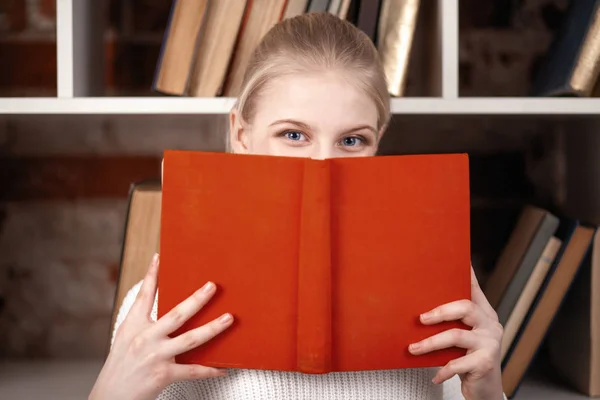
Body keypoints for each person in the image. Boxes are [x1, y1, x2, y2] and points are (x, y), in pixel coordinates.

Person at [89, 12, 506, 400]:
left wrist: (487, 389)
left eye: (352, 140)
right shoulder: (160, 312)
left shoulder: (432, 299)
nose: (322, 164)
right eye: (293, 135)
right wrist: (112, 390)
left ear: (378, 142)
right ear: (241, 134)